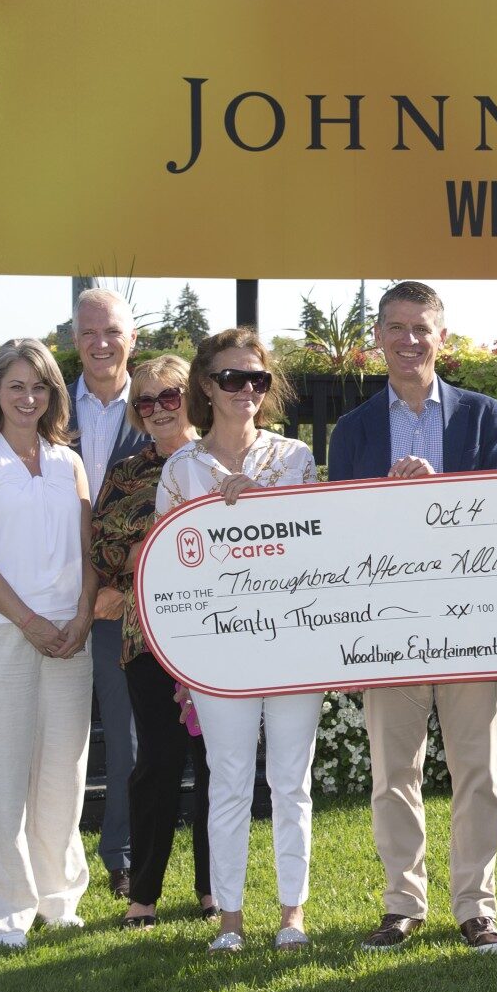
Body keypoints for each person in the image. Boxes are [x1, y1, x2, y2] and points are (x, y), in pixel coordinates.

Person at [328, 281, 497, 953]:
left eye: (422, 328)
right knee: (393, 773)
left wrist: (438, 493)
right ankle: (402, 904)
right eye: (396, 327)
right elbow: (338, 535)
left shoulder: (481, 416)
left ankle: (476, 906)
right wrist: (385, 498)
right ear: (377, 336)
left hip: (469, 625)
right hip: (387, 628)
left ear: (442, 337)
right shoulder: (352, 432)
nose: (409, 340)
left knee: (479, 772)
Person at [157, 329, 322, 953]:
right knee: (224, 781)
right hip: (216, 649)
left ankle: (292, 914)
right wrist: (181, 664)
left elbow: (318, 548)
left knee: (291, 781)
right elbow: (165, 564)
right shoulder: (180, 468)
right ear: (206, 384)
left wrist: (264, 507)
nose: (245, 390)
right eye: (231, 378)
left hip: (293, 642)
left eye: (256, 379)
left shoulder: (295, 458)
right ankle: (230, 917)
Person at [0, 339, 98, 948]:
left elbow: (89, 551)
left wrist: (84, 614)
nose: (28, 398)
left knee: (62, 777)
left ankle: (58, 898)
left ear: (53, 395)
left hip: (69, 638)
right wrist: (28, 620)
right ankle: (4, 913)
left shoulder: (70, 461)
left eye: (39, 387)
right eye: (16, 387)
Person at [87, 354, 217, 930]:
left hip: (220, 633)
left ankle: (214, 889)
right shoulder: (125, 472)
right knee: (157, 761)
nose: (159, 409)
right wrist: (147, 547)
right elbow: (104, 549)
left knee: (217, 763)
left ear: (192, 397)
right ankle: (143, 894)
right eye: (146, 401)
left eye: (170, 396)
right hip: (149, 638)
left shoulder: (220, 463)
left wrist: (150, 548)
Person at [68, 287, 149, 897]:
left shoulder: (157, 406)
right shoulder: (43, 405)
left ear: (133, 339)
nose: (101, 343)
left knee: (124, 736)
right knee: (50, 737)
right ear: (74, 338)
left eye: (112, 332)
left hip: (123, 602)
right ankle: (46, 859)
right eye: (88, 331)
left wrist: (120, 585)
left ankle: (119, 856)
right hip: (50, 596)